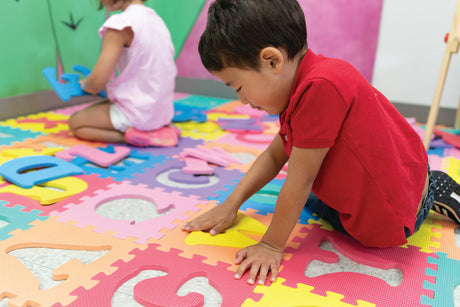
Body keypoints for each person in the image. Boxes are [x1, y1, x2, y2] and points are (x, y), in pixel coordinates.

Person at [182, 0, 460, 286]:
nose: (242, 100)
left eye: (239, 87)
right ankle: (427, 186)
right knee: (300, 196)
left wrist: (271, 245)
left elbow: (299, 181)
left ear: (272, 60)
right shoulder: (312, 77)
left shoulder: (320, 88)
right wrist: (231, 204)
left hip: (390, 220)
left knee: (303, 196)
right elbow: (274, 156)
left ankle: (433, 191)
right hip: (406, 175)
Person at [68, 0, 179, 147]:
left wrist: (87, 85)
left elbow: (96, 83)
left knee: (76, 124)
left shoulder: (120, 25)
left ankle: (135, 136)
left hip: (139, 113)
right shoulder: (157, 21)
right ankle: (157, 129)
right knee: (103, 107)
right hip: (162, 113)